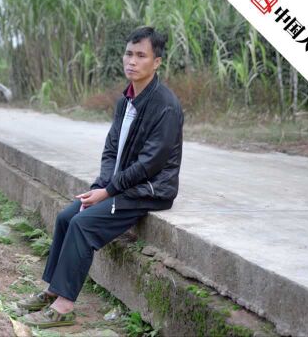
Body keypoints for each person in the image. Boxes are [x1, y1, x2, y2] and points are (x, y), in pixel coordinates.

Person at [19, 26, 184, 329]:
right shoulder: (126, 100)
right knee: (68, 215)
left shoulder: (166, 107)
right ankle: (54, 290)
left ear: (156, 62)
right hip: (121, 186)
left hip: (149, 189)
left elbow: (149, 164)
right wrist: (100, 186)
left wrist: (108, 192)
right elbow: (111, 150)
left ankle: (65, 308)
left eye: (141, 56)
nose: (132, 61)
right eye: (128, 54)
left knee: (83, 226)